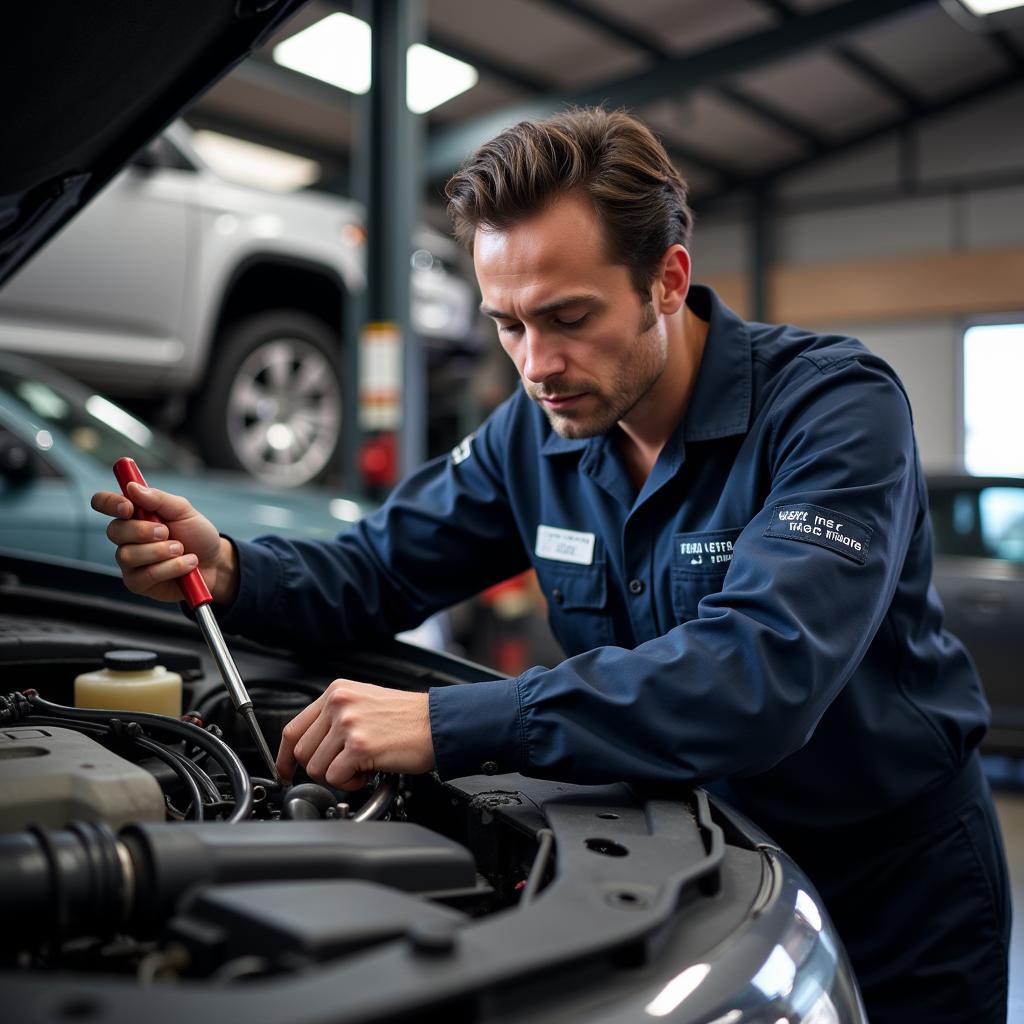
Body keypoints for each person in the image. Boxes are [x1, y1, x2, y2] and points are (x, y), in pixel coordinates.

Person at [92, 108, 1010, 1022]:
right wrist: (234, 566)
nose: (538, 365)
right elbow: (376, 570)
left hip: (893, 892)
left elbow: (758, 675)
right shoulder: (529, 437)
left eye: (568, 317)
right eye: (509, 325)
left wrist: (451, 721)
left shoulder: (832, 411)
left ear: (667, 279)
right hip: (697, 867)